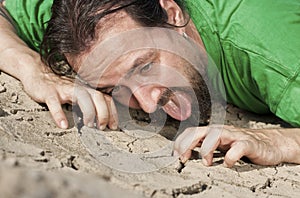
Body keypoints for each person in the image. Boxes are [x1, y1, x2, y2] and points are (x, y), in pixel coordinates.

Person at [0, 0, 299, 167]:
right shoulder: (80, 29)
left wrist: (279, 141)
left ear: (172, 14)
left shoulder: (269, 51)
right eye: (112, 89)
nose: (147, 103)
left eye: (145, 66)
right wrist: (30, 66)